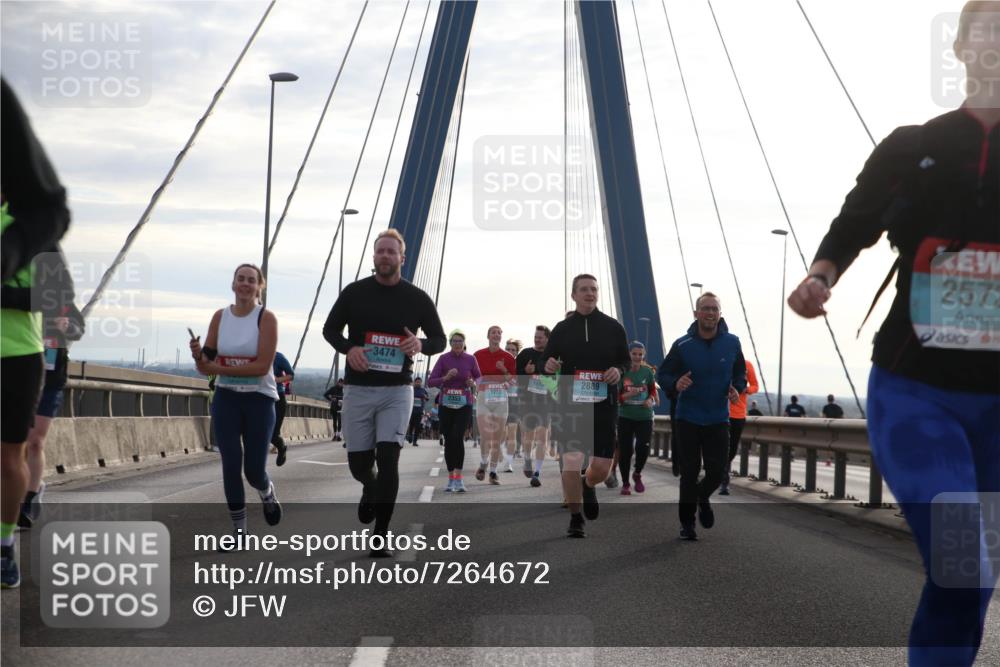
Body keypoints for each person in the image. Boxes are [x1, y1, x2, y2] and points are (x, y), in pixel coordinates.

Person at [788, 5, 998, 662]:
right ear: (961, 47)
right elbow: (854, 223)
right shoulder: (913, 144)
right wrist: (820, 276)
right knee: (965, 563)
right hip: (918, 393)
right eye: (986, 28)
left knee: (970, 578)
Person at [322, 229, 446, 558]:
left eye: (392, 252)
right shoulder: (354, 293)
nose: (386, 256)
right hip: (359, 390)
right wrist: (349, 349)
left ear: (402, 258)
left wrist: (421, 345)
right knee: (359, 464)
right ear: (374, 257)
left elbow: (439, 340)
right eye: (381, 251)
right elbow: (330, 329)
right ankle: (369, 486)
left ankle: (381, 535)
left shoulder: (417, 298)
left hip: (397, 390)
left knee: (389, 458)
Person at [1, 78, 72, 588]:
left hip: (17, 355)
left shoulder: (28, 224)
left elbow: (52, 300)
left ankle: (4, 544)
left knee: (14, 453)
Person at [189, 264, 283, 545]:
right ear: (233, 284)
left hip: (260, 400)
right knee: (230, 464)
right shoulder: (220, 317)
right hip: (227, 398)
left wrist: (217, 367)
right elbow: (206, 367)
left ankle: (267, 492)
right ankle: (239, 531)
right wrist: (198, 356)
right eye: (240, 279)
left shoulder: (266, 318)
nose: (245, 284)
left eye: (251, 280)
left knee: (253, 470)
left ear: (259, 287)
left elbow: (262, 366)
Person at [542, 274, 629, 538]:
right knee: (571, 460)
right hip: (571, 405)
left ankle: (588, 483)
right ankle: (575, 518)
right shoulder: (562, 328)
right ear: (574, 295)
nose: (589, 293)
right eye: (584, 289)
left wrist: (618, 370)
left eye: (593, 289)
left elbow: (625, 362)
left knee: (601, 468)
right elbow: (547, 362)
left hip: (604, 404)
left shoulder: (613, 327)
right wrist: (549, 366)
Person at [658, 292, 746, 541]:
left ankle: (703, 496)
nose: (710, 313)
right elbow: (662, 374)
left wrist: (736, 388)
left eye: (714, 309)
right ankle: (687, 524)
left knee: (717, 472)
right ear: (696, 314)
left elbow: (740, 373)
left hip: (718, 418)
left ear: (720, 313)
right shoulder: (683, 344)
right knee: (689, 472)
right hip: (688, 417)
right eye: (705, 309)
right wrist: (676, 382)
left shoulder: (732, 342)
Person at [18, 249, 85, 527]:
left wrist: (66, 324)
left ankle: (30, 498)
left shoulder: (62, 300)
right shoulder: (19, 294)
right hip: (19, 374)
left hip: (51, 376)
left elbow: (78, 329)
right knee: (15, 442)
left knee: (35, 440)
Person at [427, 329, 480, 492]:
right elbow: (430, 382)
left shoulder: (471, 359)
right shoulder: (443, 359)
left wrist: (473, 383)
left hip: (464, 404)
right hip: (446, 404)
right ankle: (451, 479)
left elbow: (479, 377)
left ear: (464, 344)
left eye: (460, 341)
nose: (457, 344)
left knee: (457, 437)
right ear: (450, 344)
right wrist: (445, 378)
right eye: (454, 341)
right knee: (449, 439)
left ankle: (459, 478)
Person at [472, 326, 516, 485]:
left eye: (499, 332)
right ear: (488, 336)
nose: (496, 335)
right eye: (493, 332)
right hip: (483, 397)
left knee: (496, 438)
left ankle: (493, 472)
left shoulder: (508, 357)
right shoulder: (478, 355)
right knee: (485, 435)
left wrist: (504, 371)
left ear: (501, 337)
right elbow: (473, 375)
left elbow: (513, 379)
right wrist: (477, 384)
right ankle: (483, 463)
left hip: (501, 398)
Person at [616, 342, 658, 495]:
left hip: (644, 416)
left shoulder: (647, 372)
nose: (637, 357)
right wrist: (628, 394)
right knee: (625, 451)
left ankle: (637, 473)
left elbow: (652, 390)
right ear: (629, 354)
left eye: (640, 354)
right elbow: (616, 397)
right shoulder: (622, 372)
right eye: (634, 354)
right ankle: (626, 483)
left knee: (643, 447)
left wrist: (650, 399)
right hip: (625, 416)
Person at [516, 325, 552, 487]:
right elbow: (515, 377)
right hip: (528, 400)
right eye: (535, 336)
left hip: (546, 402)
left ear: (547, 339)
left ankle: (537, 472)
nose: (537, 339)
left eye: (540, 337)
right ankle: (527, 460)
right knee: (529, 436)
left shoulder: (553, 356)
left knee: (542, 436)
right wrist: (525, 371)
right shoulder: (525, 354)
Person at [720, 360, 758, 495]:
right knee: (722, 446)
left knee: (732, 448)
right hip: (720, 413)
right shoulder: (721, 361)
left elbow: (755, 386)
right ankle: (724, 481)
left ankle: (721, 471)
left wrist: (746, 389)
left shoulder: (747, 365)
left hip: (738, 413)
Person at [503, 338, 523, 470]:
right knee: (499, 433)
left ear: (517, 352)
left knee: (512, 432)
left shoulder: (520, 366)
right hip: (498, 400)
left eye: (513, 350)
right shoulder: (498, 363)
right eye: (508, 349)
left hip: (515, 400)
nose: (510, 352)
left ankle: (508, 462)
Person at [271, 350, 293, 465]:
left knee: (273, 434)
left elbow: (291, 375)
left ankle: (281, 447)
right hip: (260, 397)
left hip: (278, 397)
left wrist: (276, 379)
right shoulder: (253, 355)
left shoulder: (278, 357)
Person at [407, 377, 430, 446]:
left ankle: (415, 441)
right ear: (414, 382)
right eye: (417, 382)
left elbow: (427, 398)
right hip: (411, 411)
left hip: (419, 411)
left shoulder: (423, 390)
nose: (418, 383)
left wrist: (425, 397)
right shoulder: (411, 389)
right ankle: (410, 435)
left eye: (419, 382)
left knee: (417, 426)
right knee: (411, 424)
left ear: (421, 382)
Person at [324, 379, 345, 443]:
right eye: (340, 383)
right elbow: (325, 394)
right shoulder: (333, 389)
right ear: (338, 383)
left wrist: (343, 401)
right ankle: (335, 435)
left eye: (342, 383)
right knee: (335, 421)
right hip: (334, 407)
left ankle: (338, 435)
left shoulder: (344, 390)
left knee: (340, 421)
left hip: (341, 408)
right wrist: (331, 399)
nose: (341, 384)